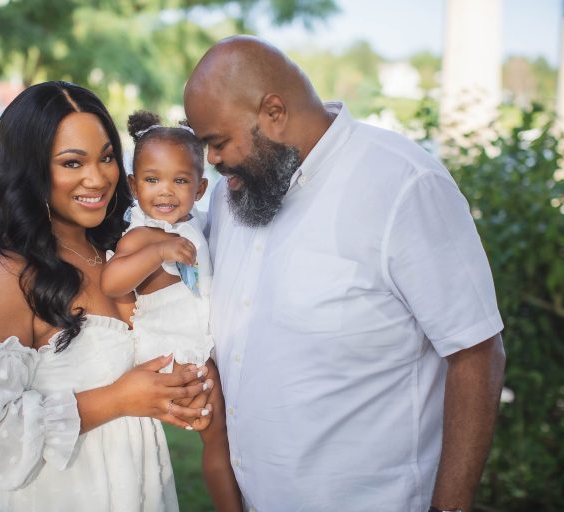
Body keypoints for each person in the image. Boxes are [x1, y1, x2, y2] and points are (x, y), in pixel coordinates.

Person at [183, 36, 507, 512]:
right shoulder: (234, 195)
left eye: (217, 142)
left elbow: (476, 351)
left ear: (274, 113)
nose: (210, 161)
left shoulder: (403, 185)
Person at [0, 81, 214, 512]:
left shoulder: (121, 249)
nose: (98, 177)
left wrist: (179, 393)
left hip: (135, 488)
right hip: (57, 495)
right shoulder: (7, 273)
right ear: (31, 169)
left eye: (107, 157)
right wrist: (121, 399)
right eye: (72, 163)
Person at [101, 110, 242, 511]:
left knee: (222, 439)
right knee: (215, 433)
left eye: (179, 181)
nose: (165, 192)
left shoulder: (193, 223)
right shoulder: (143, 235)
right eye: (152, 180)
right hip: (169, 356)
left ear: (199, 189)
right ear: (133, 185)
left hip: (198, 345)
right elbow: (111, 282)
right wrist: (158, 251)